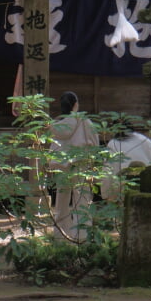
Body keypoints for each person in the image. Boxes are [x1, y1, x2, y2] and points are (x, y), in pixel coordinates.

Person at [50, 90, 99, 242]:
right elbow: (94, 143)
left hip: (62, 165)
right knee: (82, 199)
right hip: (81, 163)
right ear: (75, 105)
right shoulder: (85, 122)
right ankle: (82, 235)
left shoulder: (56, 125)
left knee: (61, 199)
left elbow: (54, 146)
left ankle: (60, 235)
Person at [100, 121, 151, 202]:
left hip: (124, 190)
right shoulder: (145, 140)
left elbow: (107, 172)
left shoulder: (113, 144)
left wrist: (106, 195)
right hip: (148, 187)